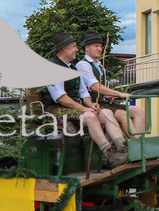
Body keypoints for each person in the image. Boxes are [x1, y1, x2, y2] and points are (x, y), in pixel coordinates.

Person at [43, 32, 128, 168]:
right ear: (65, 49)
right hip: (56, 109)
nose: (77, 49)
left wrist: (91, 104)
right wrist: (84, 109)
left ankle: (123, 149)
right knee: (90, 116)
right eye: (74, 47)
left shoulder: (71, 67)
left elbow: (83, 92)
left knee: (106, 113)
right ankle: (110, 154)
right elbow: (60, 97)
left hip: (75, 107)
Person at [75, 32, 145, 138]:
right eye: (96, 46)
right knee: (123, 115)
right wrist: (120, 94)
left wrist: (111, 96)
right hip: (93, 105)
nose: (100, 49)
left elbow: (103, 91)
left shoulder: (100, 66)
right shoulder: (83, 65)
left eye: (101, 46)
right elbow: (94, 86)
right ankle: (138, 146)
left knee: (138, 110)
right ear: (87, 47)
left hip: (105, 104)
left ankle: (139, 143)